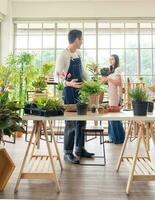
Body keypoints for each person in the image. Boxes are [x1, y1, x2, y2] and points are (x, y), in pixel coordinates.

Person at [54, 29, 94, 164]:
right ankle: (68, 152)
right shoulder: (63, 55)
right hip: (69, 92)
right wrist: (68, 83)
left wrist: (92, 84)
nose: (82, 41)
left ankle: (79, 148)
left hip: (80, 92)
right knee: (70, 123)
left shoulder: (78, 53)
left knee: (82, 121)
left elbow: (82, 71)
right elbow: (57, 75)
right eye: (81, 39)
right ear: (76, 39)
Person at [101, 54, 125, 144]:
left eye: (112, 59)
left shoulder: (117, 69)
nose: (110, 61)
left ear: (116, 60)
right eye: (110, 59)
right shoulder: (112, 70)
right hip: (111, 94)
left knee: (114, 116)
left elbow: (118, 82)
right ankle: (113, 137)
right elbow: (110, 82)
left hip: (115, 94)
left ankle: (118, 138)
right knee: (111, 116)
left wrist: (108, 79)